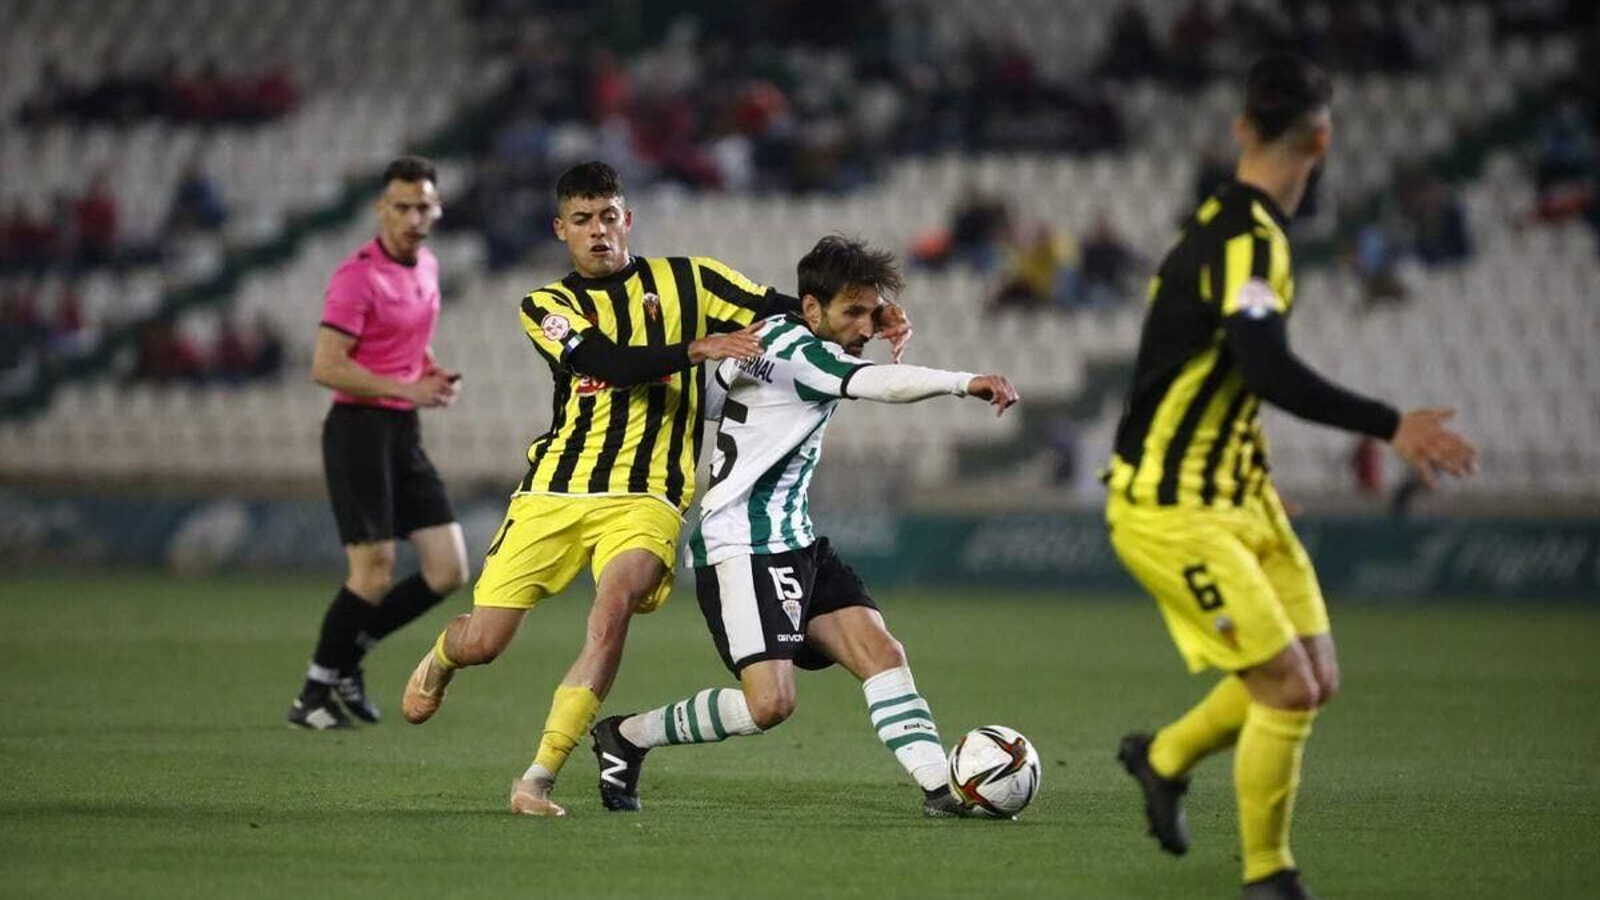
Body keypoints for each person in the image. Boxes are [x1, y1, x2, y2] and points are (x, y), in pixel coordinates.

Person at [400, 162, 911, 817]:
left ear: (628, 219)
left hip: (648, 496)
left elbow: (794, 309)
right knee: (485, 642)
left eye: (608, 216)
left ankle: (538, 777)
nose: (598, 231)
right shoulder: (545, 306)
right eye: (582, 220)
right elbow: (606, 363)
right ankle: (445, 656)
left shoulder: (693, 279)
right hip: (555, 490)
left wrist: (872, 313)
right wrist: (697, 348)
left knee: (613, 606)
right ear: (560, 230)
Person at [1102, 55, 1477, 900]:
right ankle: (1269, 877)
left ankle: (1163, 759)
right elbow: (1265, 369)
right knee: (1286, 685)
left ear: (1242, 127)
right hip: (1172, 509)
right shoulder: (1246, 240)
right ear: (1323, 140)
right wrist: (1393, 424)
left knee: (1316, 677)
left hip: (1235, 496)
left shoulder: (1224, 228)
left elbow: (1196, 373)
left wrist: (1251, 472)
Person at [587, 236, 1018, 817]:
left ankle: (942, 787)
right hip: (742, 545)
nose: (864, 327)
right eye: (853, 313)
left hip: (796, 539)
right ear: (812, 308)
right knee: (770, 705)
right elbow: (880, 384)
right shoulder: (807, 355)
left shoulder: (767, 334)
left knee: (881, 651)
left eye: (871, 312)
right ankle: (628, 735)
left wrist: (866, 316)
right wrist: (965, 382)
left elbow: (712, 400)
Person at [286, 155, 469, 730]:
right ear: (381, 209)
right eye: (402, 207)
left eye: (424, 207)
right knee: (372, 572)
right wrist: (407, 388)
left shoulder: (428, 266)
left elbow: (405, 340)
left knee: (448, 569)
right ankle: (313, 693)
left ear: (437, 210)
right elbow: (326, 365)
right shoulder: (357, 276)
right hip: (358, 430)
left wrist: (428, 370)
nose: (414, 218)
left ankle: (348, 658)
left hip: (401, 430)